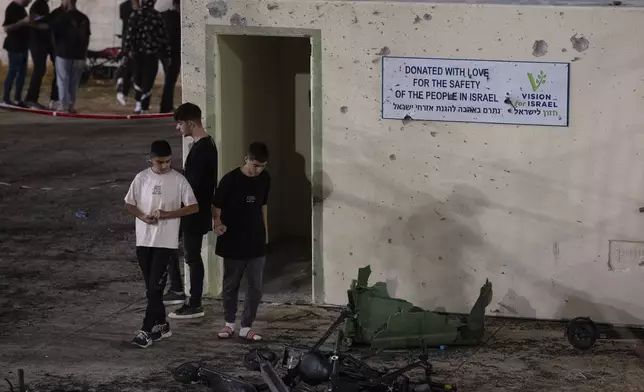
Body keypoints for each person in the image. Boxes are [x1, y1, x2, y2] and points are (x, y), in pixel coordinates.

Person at [124, 139, 199, 348]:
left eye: (167, 161)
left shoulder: (179, 180)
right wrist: (142, 217)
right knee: (151, 288)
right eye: (160, 162)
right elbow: (129, 204)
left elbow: (193, 207)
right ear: (151, 160)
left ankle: (146, 329)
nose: (164, 166)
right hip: (144, 240)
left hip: (166, 242)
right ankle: (163, 324)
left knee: (155, 286)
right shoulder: (141, 178)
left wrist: (167, 215)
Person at [163, 103, 218, 319]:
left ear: (191, 123)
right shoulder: (204, 144)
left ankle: (194, 303)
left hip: (193, 212)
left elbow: (195, 185)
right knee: (169, 245)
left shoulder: (203, 149)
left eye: (180, 123)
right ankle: (177, 289)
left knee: (192, 257)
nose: (178, 128)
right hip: (192, 210)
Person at [214, 142, 270, 341]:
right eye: (255, 165)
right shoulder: (230, 180)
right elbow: (217, 206)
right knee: (231, 284)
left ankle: (246, 327)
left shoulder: (265, 178)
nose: (258, 170)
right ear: (246, 159)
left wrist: (266, 232)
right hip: (233, 240)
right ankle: (229, 323)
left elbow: (263, 205)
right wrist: (217, 224)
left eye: (262, 166)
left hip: (256, 240)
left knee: (256, 286)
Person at [123, 0, 171, 114]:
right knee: (148, 81)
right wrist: (166, 54)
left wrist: (127, 50)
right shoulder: (157, 16)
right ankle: (144, 106)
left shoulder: (135, 15)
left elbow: (129, 35)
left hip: (138, 54)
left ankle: (139, 104)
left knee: (138, 78)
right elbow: (163, 36)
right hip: (151, 54)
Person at [49, 0, 90, 113]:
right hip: (79, 55)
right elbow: (86, 38)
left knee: (62, 80)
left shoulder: (61, 18)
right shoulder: (84, 18)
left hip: (63, 53)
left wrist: (55, 51)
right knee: (74, 82)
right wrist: (84, 55)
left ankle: (63, 105)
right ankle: (71, 105)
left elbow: (54, 35)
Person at [24, 0, 58, 110]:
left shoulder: (44, 5)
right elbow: (34, 20)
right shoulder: (37, 5)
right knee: (39, 69)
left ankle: (51, 99)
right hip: (37, 43)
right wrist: (46, 24)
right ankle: (30, 99)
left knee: (45, 69)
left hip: (44, 43)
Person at [2, 0, 32, 107]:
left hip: (23, 46)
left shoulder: (22, 9)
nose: (29, 2)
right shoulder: (12, 8)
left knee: (22, 75)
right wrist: (22, 23)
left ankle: (17, 99)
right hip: (15, 46)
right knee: (12, 72)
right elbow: (6, 28)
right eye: (28, 0)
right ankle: (6, 99)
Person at [115, 0, 139, 106]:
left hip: (139, 42)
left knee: (131, 68)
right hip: (129, 41)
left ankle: (124, 90)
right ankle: (122, 89)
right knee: (127, 66)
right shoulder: (124, 7)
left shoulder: (142, 7)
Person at [159, 0, 180, 113]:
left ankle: (166, 105)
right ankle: (166, 106)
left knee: (169, 80)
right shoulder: (180, 18)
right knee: (170, 80)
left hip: (164, 53)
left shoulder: (163, 16)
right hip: (174, 53)